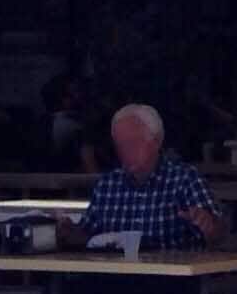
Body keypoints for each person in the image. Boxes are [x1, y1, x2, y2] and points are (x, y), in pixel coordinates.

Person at [84, 103, 225, 255]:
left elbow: (218, 234)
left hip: (171, 275)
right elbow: (85, 234)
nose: (125, 151)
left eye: (133, 143)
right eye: (120, 145)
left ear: (156, 141)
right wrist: (66, 232)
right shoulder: (107, 185)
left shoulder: (184, 180)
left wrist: (208, 224)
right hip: (115, 275)